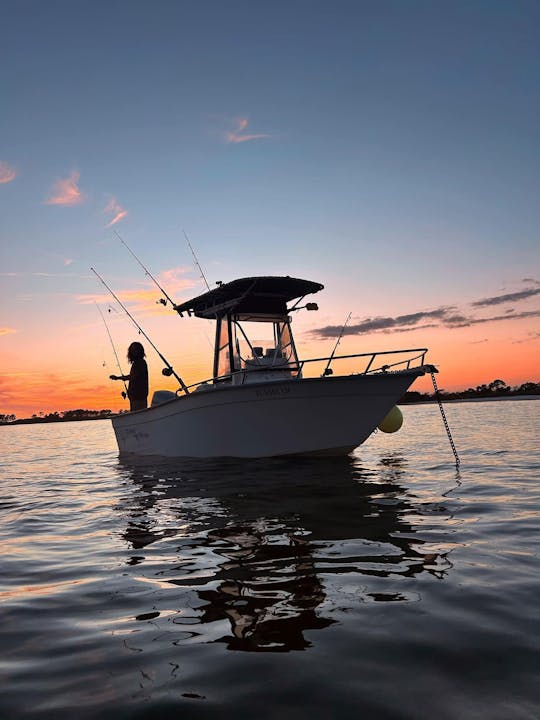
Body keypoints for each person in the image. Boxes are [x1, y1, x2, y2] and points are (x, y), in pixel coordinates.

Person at [110, 341, 149, 411]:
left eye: (134, 350)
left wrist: (117, 378)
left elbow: (132, 377)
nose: (132, 352)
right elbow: (133, 378)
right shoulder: (138, 363)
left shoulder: (140, 363)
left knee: (138, 416)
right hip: (135, 397)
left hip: (138, 397)